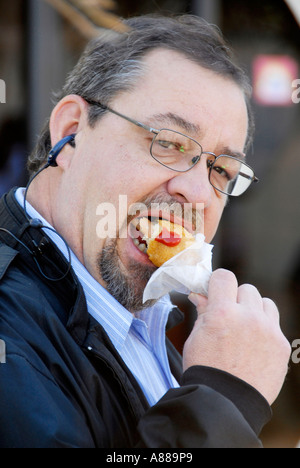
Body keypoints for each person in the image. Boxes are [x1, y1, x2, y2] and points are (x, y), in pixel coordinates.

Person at [0, 15, 291, 448]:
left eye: (222, 170)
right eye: (170, 143)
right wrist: (223, 396)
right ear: (72, 132)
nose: (196, 193)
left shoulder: (147, 323)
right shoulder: (12, 347)